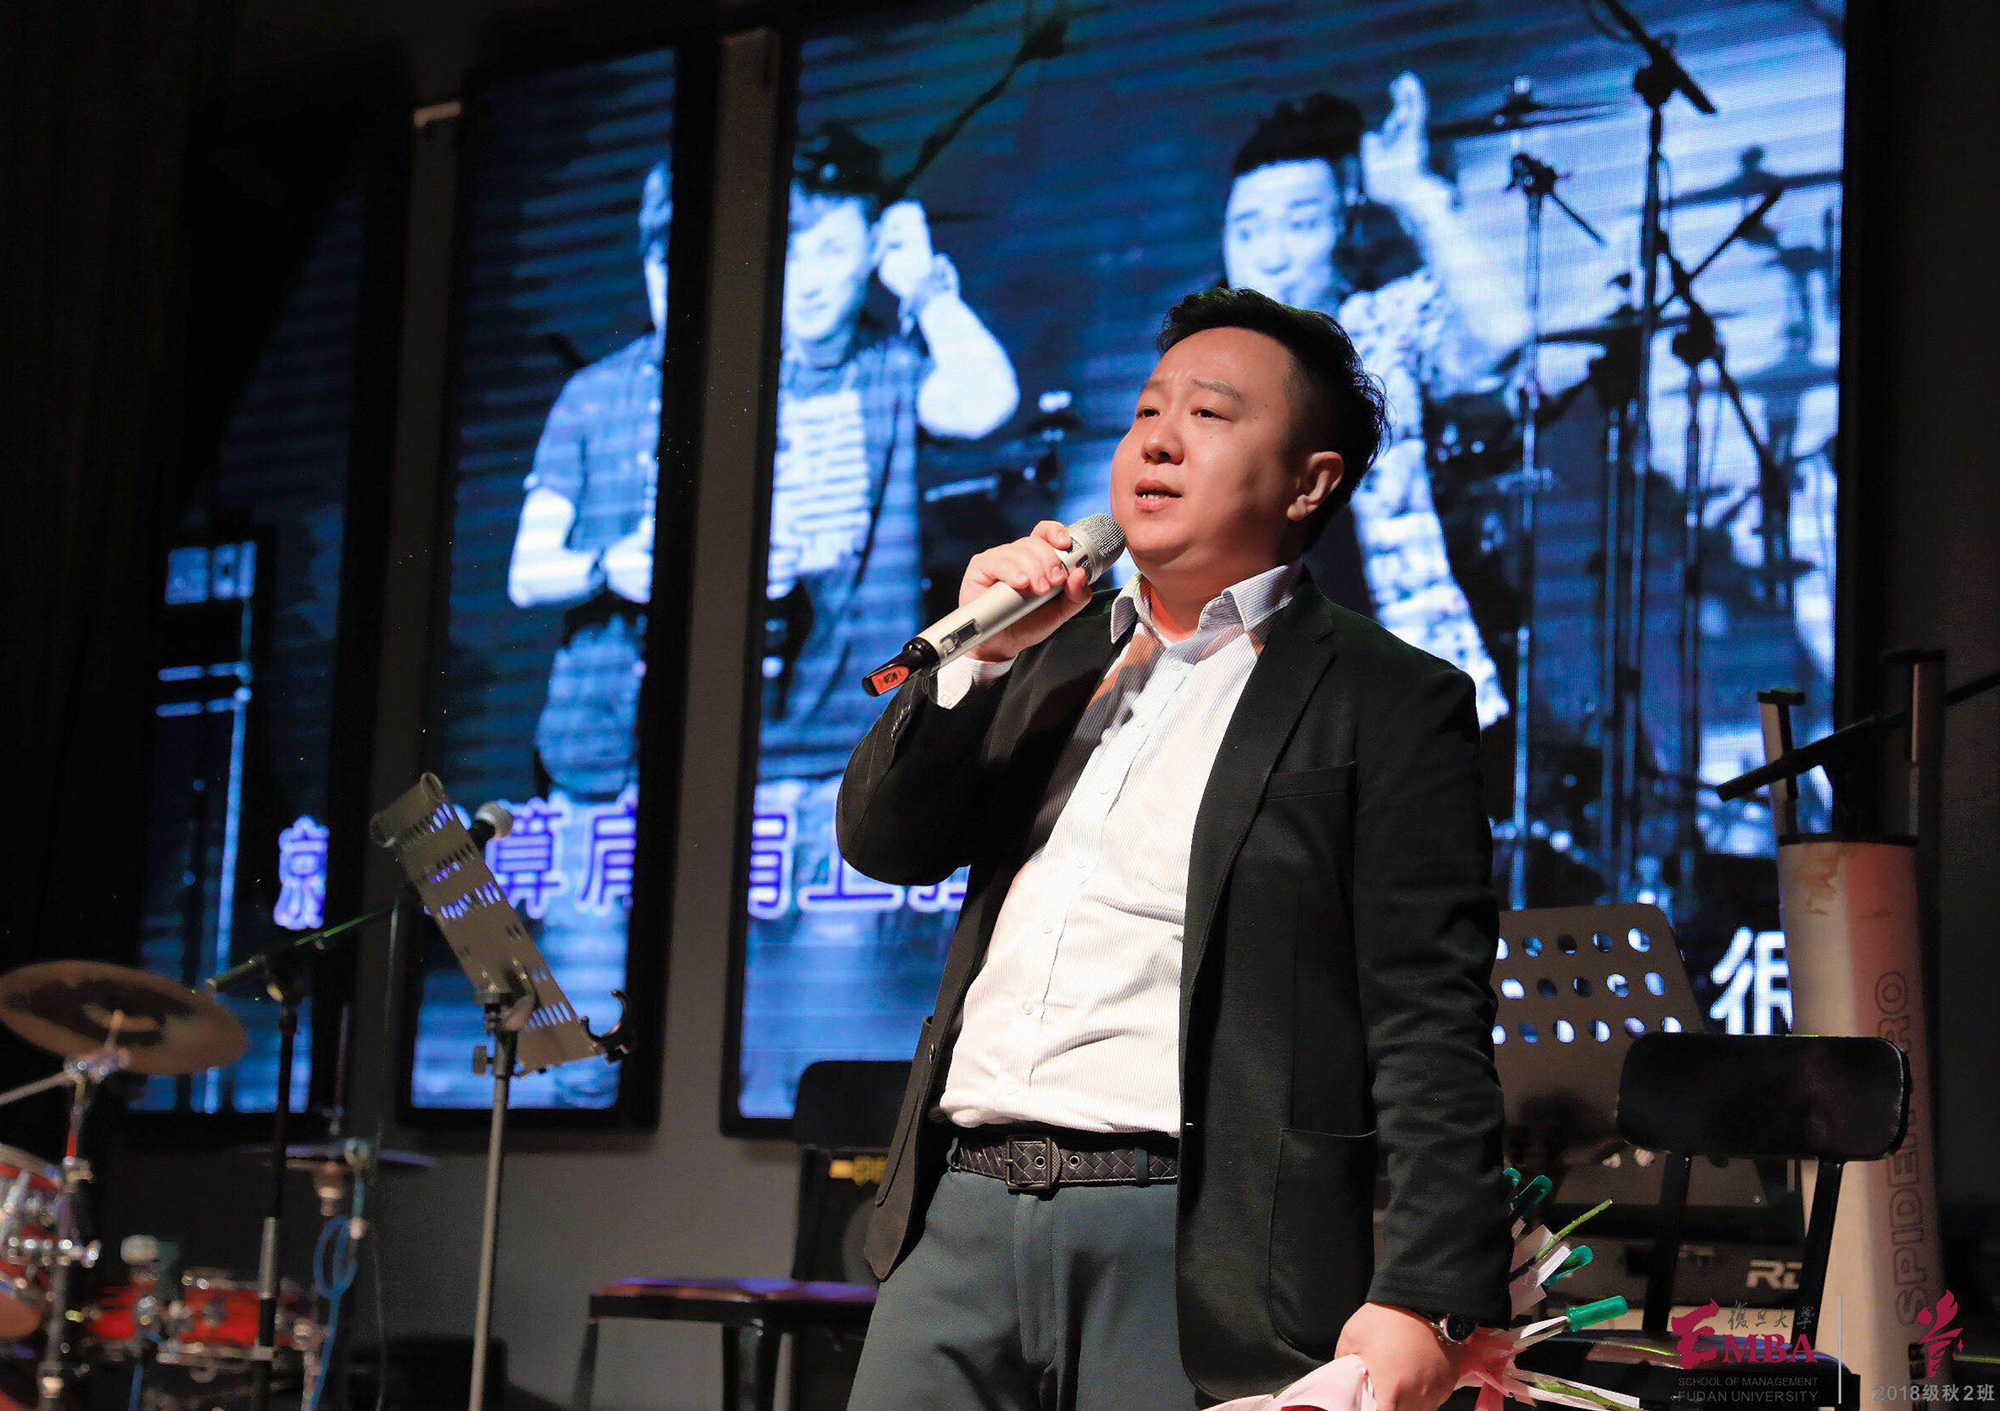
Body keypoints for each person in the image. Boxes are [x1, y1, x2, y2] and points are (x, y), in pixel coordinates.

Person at [839, 287, 1511, 1409]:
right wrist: (981, 660)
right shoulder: (1047, 660)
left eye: (1207, 414)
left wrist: (1429, 1291)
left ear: (1309, 482)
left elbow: (1428, 1016)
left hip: (1193, 1246)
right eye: (1146, 410)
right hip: (959, 1218)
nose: (1155, 439)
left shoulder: (1390, 699)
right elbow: (883, 842)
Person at [740, 123, 1020, 1114]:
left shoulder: (886, 366)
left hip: (846, 757)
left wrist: (926, 288)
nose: (812, 278)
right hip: (734, 760)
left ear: (869, 247)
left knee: (826, 1030)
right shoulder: (732, 390)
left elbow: (984, 399)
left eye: (833, 248)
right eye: (794, 250)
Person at [1223, 78, 1527, 730]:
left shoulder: (1385, 325)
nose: (1270, 256)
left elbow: (1504, 333)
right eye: (1246, 231)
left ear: (1344, 226)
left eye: (1301, 225)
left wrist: (1416, 195)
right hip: (1264, 692)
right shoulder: (1200, 371)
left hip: (1404, 664)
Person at [503, 159, 670, 1104]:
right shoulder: (596, 394)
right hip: (595, 743)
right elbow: (527, 571)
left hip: (747, 759)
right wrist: (611, 564)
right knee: (586, 1059)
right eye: (664, 259)